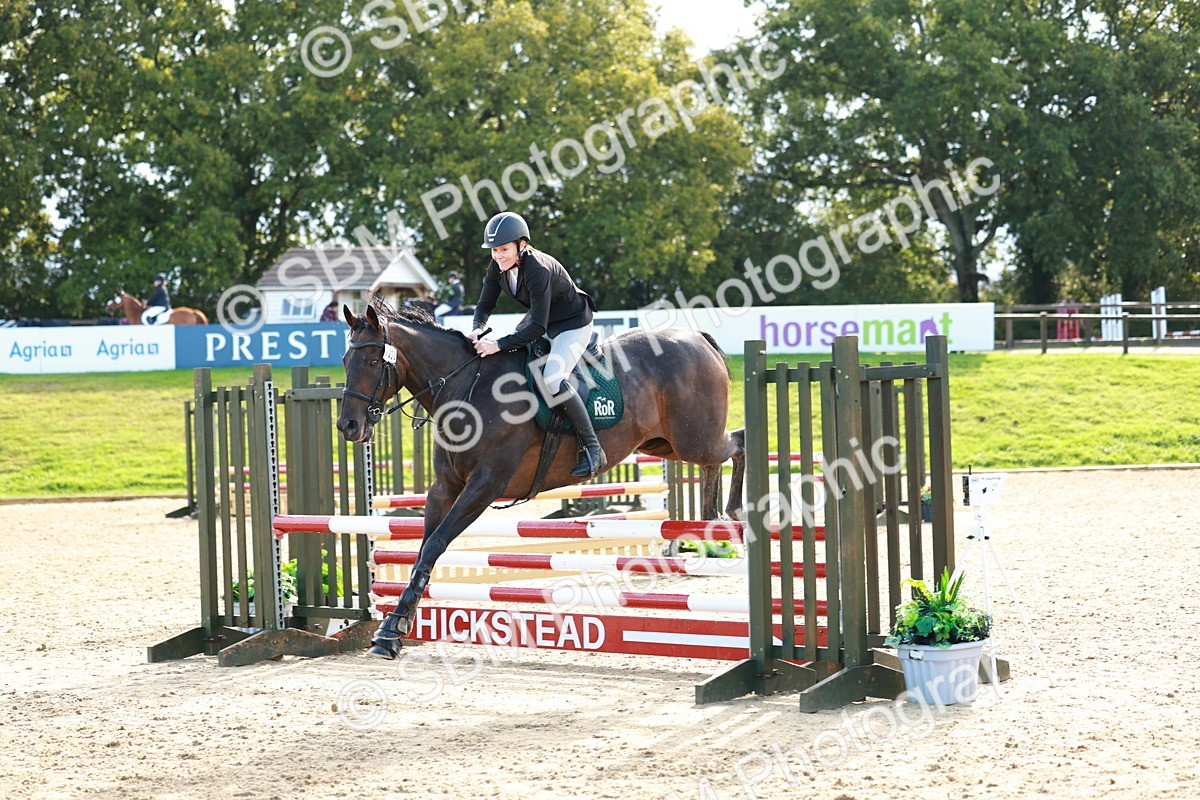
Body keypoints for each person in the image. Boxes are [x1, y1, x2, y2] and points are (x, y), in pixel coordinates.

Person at [469, 211, 606, 478]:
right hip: (542, 317)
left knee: (553, 378)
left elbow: (537, 329)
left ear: (521, 245)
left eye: (504, 249)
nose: (498, 256)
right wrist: (476, 329)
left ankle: (592, 447)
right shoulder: (497, 267)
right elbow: (485, 304)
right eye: (494, 250)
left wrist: (497, 344)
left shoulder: (537, 269)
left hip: (571, 322)